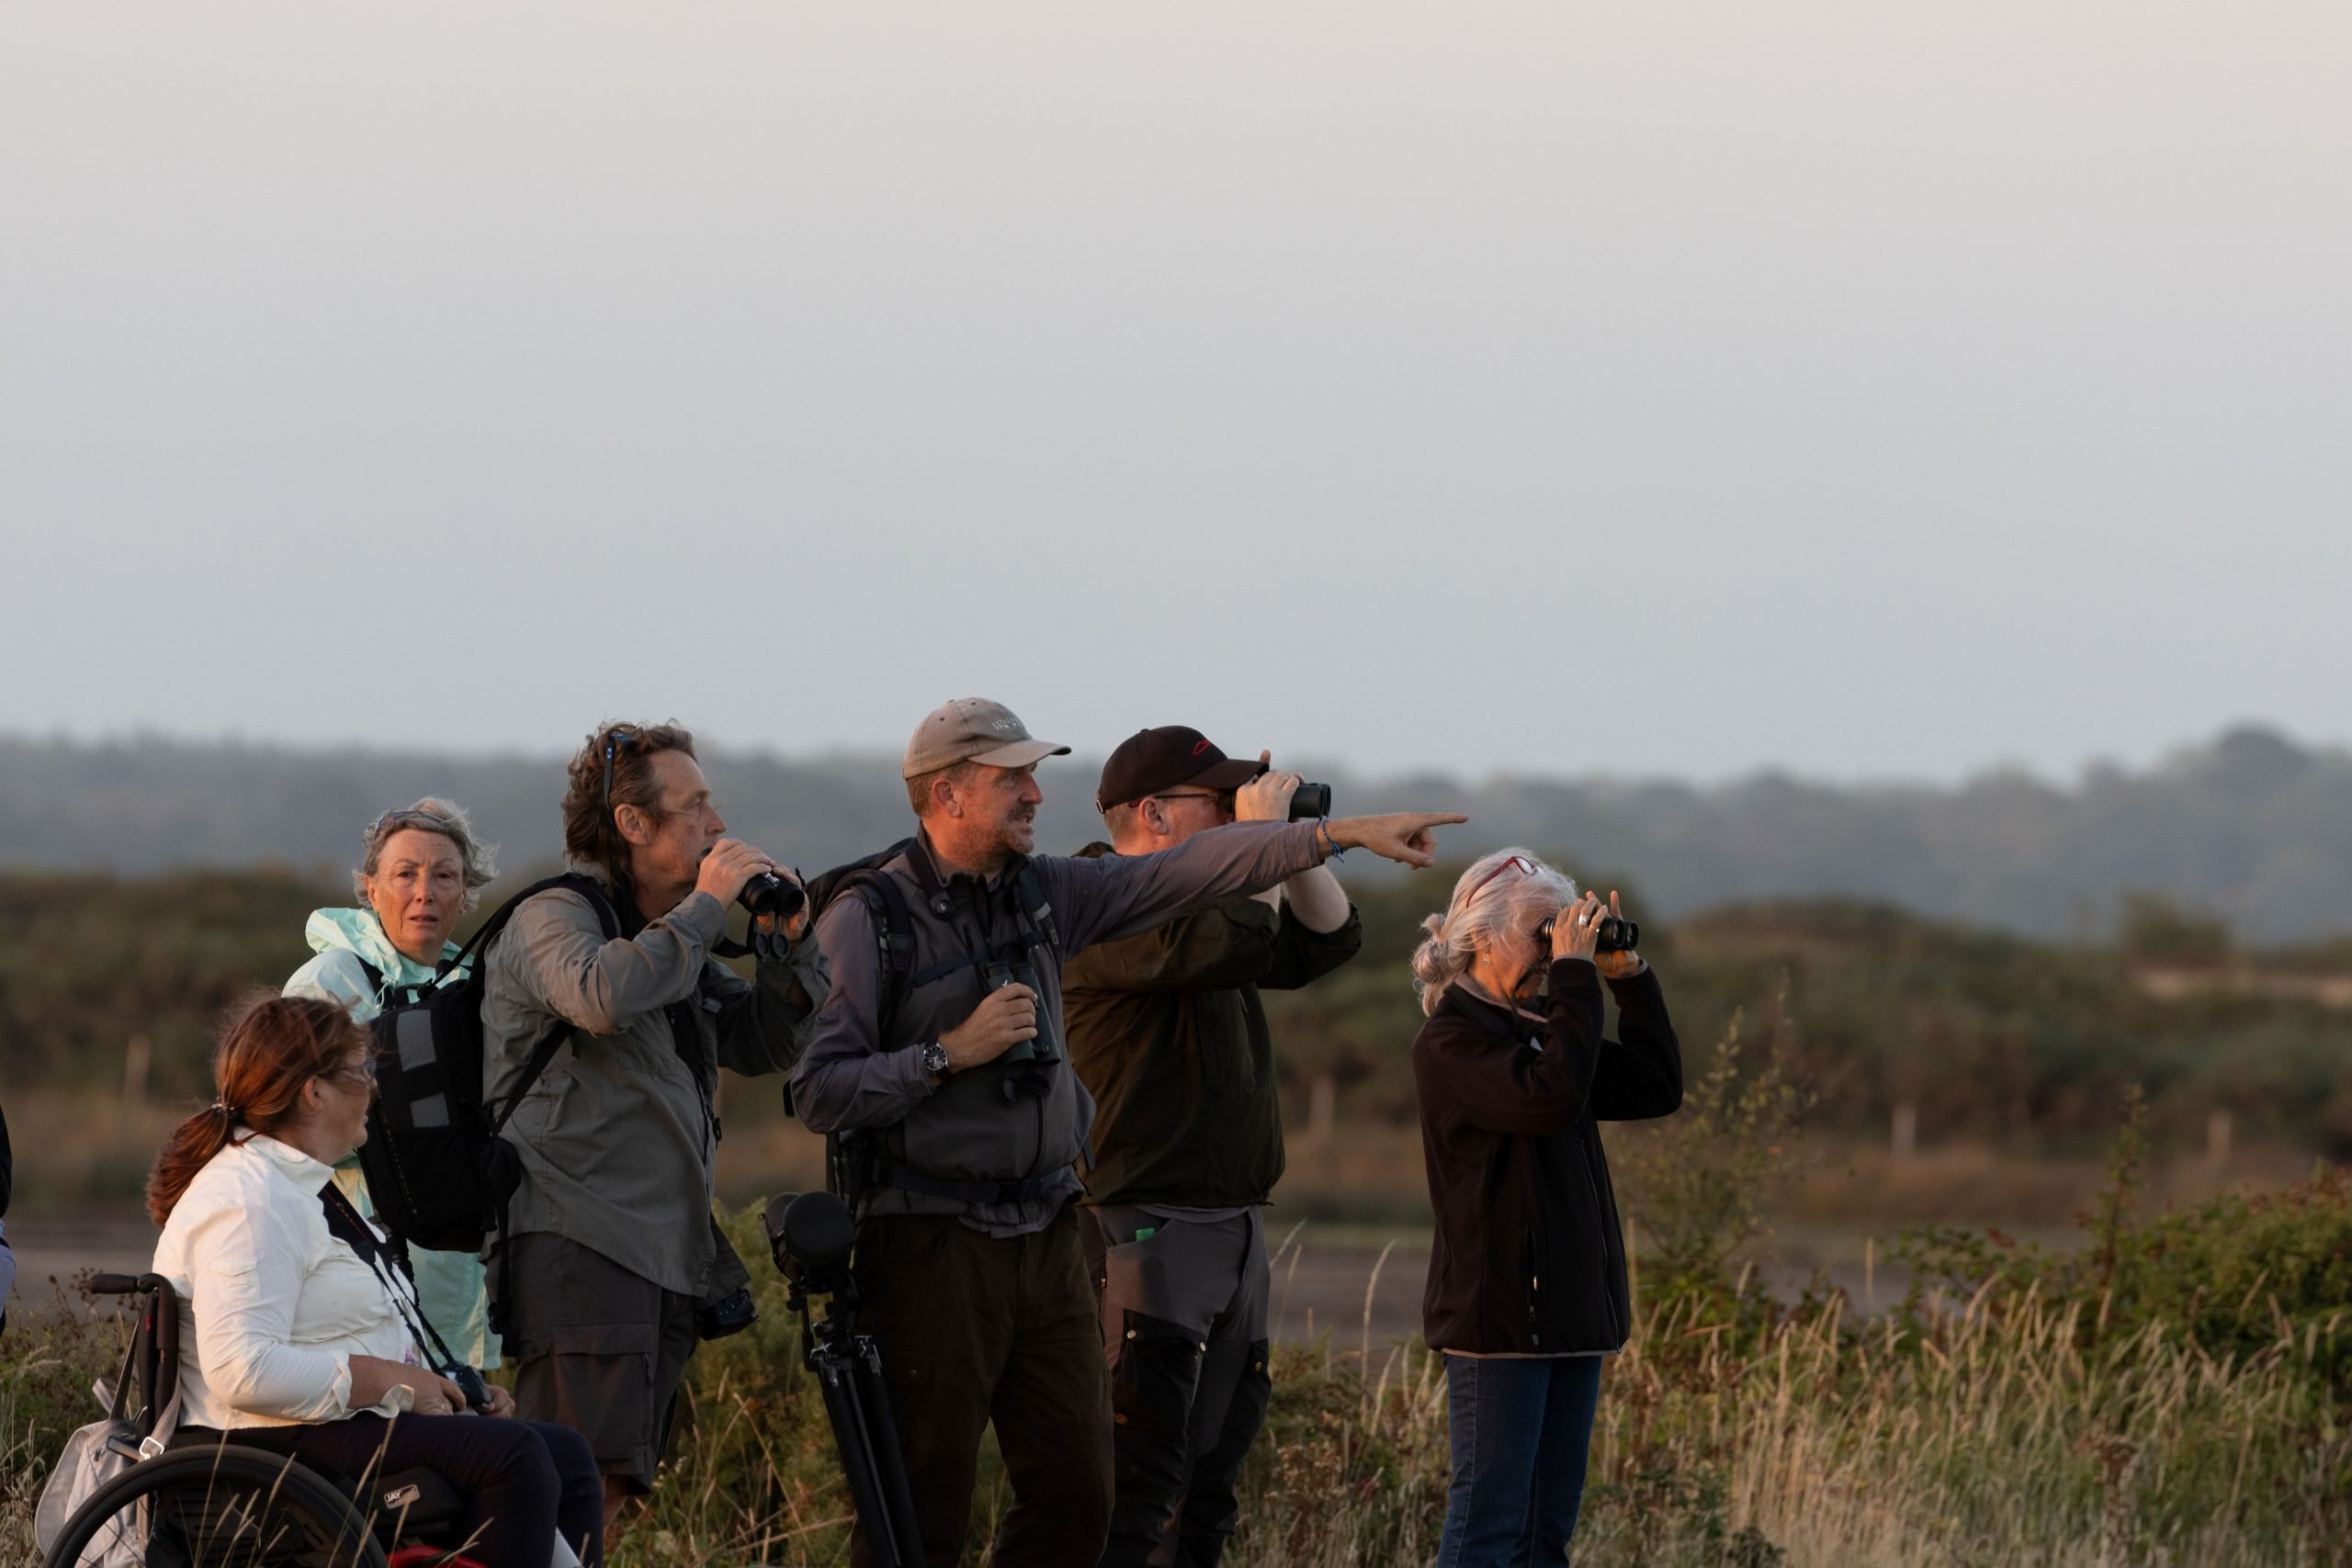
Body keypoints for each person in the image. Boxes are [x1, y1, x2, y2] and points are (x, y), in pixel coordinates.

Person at [791, 697, 1464, 1568]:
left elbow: (1216, 892)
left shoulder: (1044, 894)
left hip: (1048, 1230)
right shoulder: (872, 915)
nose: (1037, 792)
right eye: (1014, 778)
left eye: (1035, 773)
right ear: (947, 794)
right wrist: (946, 1055)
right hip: (939, 1234)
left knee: (1083, 1497)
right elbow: (817, 1089)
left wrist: (1341, 832)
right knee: (926, 1508)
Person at [481, 721, 828, 1524]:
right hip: (582, 1242)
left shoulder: (673, 941)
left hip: (660, 1251)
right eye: (696, 805)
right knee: (576, 1488)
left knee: (615, 1489)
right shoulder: (555, 917)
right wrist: (708, 904)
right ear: (633, 824)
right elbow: (601, 997)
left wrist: (788, 951)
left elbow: (764, 1040)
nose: (717, 825)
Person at [147, 994, 603, 1565]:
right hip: (261, 1441)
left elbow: (340, 1331)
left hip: (317, 1427)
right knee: (513, 1458)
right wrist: (390, 1381)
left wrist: (450, 1389)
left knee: (562, 1454)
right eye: (362, 1071)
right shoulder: (248, 1198)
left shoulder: (301, 1187)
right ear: (314, 1093)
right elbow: (242, 1370)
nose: (375, 1085)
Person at [1063, 727, 1364, 1568]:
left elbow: (1328, 940)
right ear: (1152, 814)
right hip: (1139, 1223)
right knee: (1138, 1483)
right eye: (1219, 801)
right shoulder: (1097, 898)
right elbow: (1229, 941)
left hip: (1232, 1227)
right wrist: (1259, 843)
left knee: (1208, 1486)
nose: (1236, 809)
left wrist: (1294, 847)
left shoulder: (1212, 901)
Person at [1408, 849, 1682, 1567]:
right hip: (1498, 1319)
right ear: (1486, 936)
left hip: (1570, 1318)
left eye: (1566, 928)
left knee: (1544, 1539)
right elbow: (1551, 1098)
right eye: (1545, 929)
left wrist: (1629, 981)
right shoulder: (1451, 1041)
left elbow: (1656, 1086)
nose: (1562, 943)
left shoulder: (1545, 1028)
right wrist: (1572, 980)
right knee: (1487, 1531)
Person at [284, 797, 500, 1369]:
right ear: (370, 886)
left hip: (457, 1264)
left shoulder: (480, 988)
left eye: (444, 876)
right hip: (354, 1252)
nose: (424, 892)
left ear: (465, 892)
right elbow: (286, 1127)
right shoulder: (328, 982)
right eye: (405, 874)